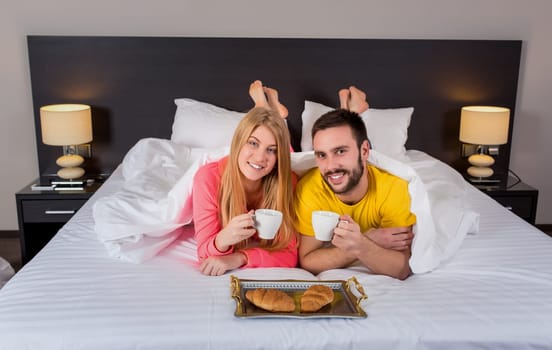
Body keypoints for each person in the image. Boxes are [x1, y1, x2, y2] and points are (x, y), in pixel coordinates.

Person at [294, 86, 415, 280]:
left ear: (365, 151)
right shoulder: (310, 188)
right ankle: (353, 108)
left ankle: (354, 108)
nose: (330, 166)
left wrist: (360, 244)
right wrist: (365, 242)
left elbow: (400, 268)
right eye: (321, 155)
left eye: (340, 151)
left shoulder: (393, 188)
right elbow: (308, 261)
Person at [192, 80, 297, 276]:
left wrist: (239, 257)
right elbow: (204, 252)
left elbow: (290, 255)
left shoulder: (287, 181)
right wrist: (223, 239)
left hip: (276, 169)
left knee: (287, 155)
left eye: (271, 150)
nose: (260, 157)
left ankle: (271, 111)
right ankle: (268, 109)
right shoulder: (208, 178)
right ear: (238, 142)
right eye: (253, 143)